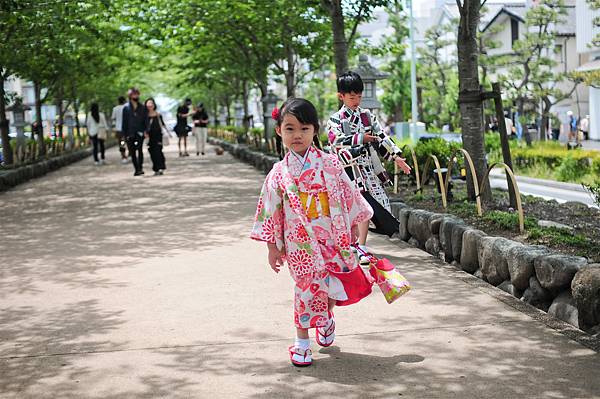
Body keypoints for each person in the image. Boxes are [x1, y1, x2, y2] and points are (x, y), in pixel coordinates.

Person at [250, 98, 374, 367]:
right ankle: (302, 342)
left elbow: (347, 195)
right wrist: (272, 247)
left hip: (332, 235)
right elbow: (271, 210)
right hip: (300, 243)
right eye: (290, 128)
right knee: (306, 288)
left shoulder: (329, 164)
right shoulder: (279, 173)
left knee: (330, 287)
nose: (297, 135)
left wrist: (353, 225)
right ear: (279, 131)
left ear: (314, 131)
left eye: (304, 129)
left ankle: (326, 317)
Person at [326, 71, 411, 264]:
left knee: (369, 207)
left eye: (359, 96)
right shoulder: (335, 120)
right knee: (348, 211)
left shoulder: (366, 116)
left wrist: (396, 156)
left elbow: (381, 137)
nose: (356, 100)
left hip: (366, 170)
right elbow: (335, 141)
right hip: (345, 170)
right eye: (351, 97)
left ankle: (362, 246)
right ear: (341, 96)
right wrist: (360, 138)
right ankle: (350, 246)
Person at [122, 87, 147, 176]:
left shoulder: (142, 107)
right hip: (130, 133)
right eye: (134, 94)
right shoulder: (126, 108)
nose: (135, 96)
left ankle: (140, 168)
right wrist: (124, 135)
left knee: (139, 150)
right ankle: (136, 169)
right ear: (130, 96)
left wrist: (145, 130)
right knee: (132, 151)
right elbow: (124, 122)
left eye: (137, 94)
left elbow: (145, 120)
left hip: (140, 132)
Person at [144, 98, 167, 175]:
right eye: (148, 104)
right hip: (149, 136)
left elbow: (162, 124)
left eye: (151, 104)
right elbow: (143, 126)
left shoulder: (158, 115)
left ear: (154, 105)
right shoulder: (145, 116)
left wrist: (167, 132)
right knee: (152, 152)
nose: (150, 105)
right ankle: (156, 168)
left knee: (158, 151)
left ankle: (161, 167)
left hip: (158, 135)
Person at [111, 96, 128, 164]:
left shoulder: (115, 109)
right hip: (127, 128)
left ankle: (123, 156)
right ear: (124, 101)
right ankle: (129, 155)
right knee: (128, 141)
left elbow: (113, 118)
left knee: (121, 142)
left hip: (119, 129)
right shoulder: (127, 107)